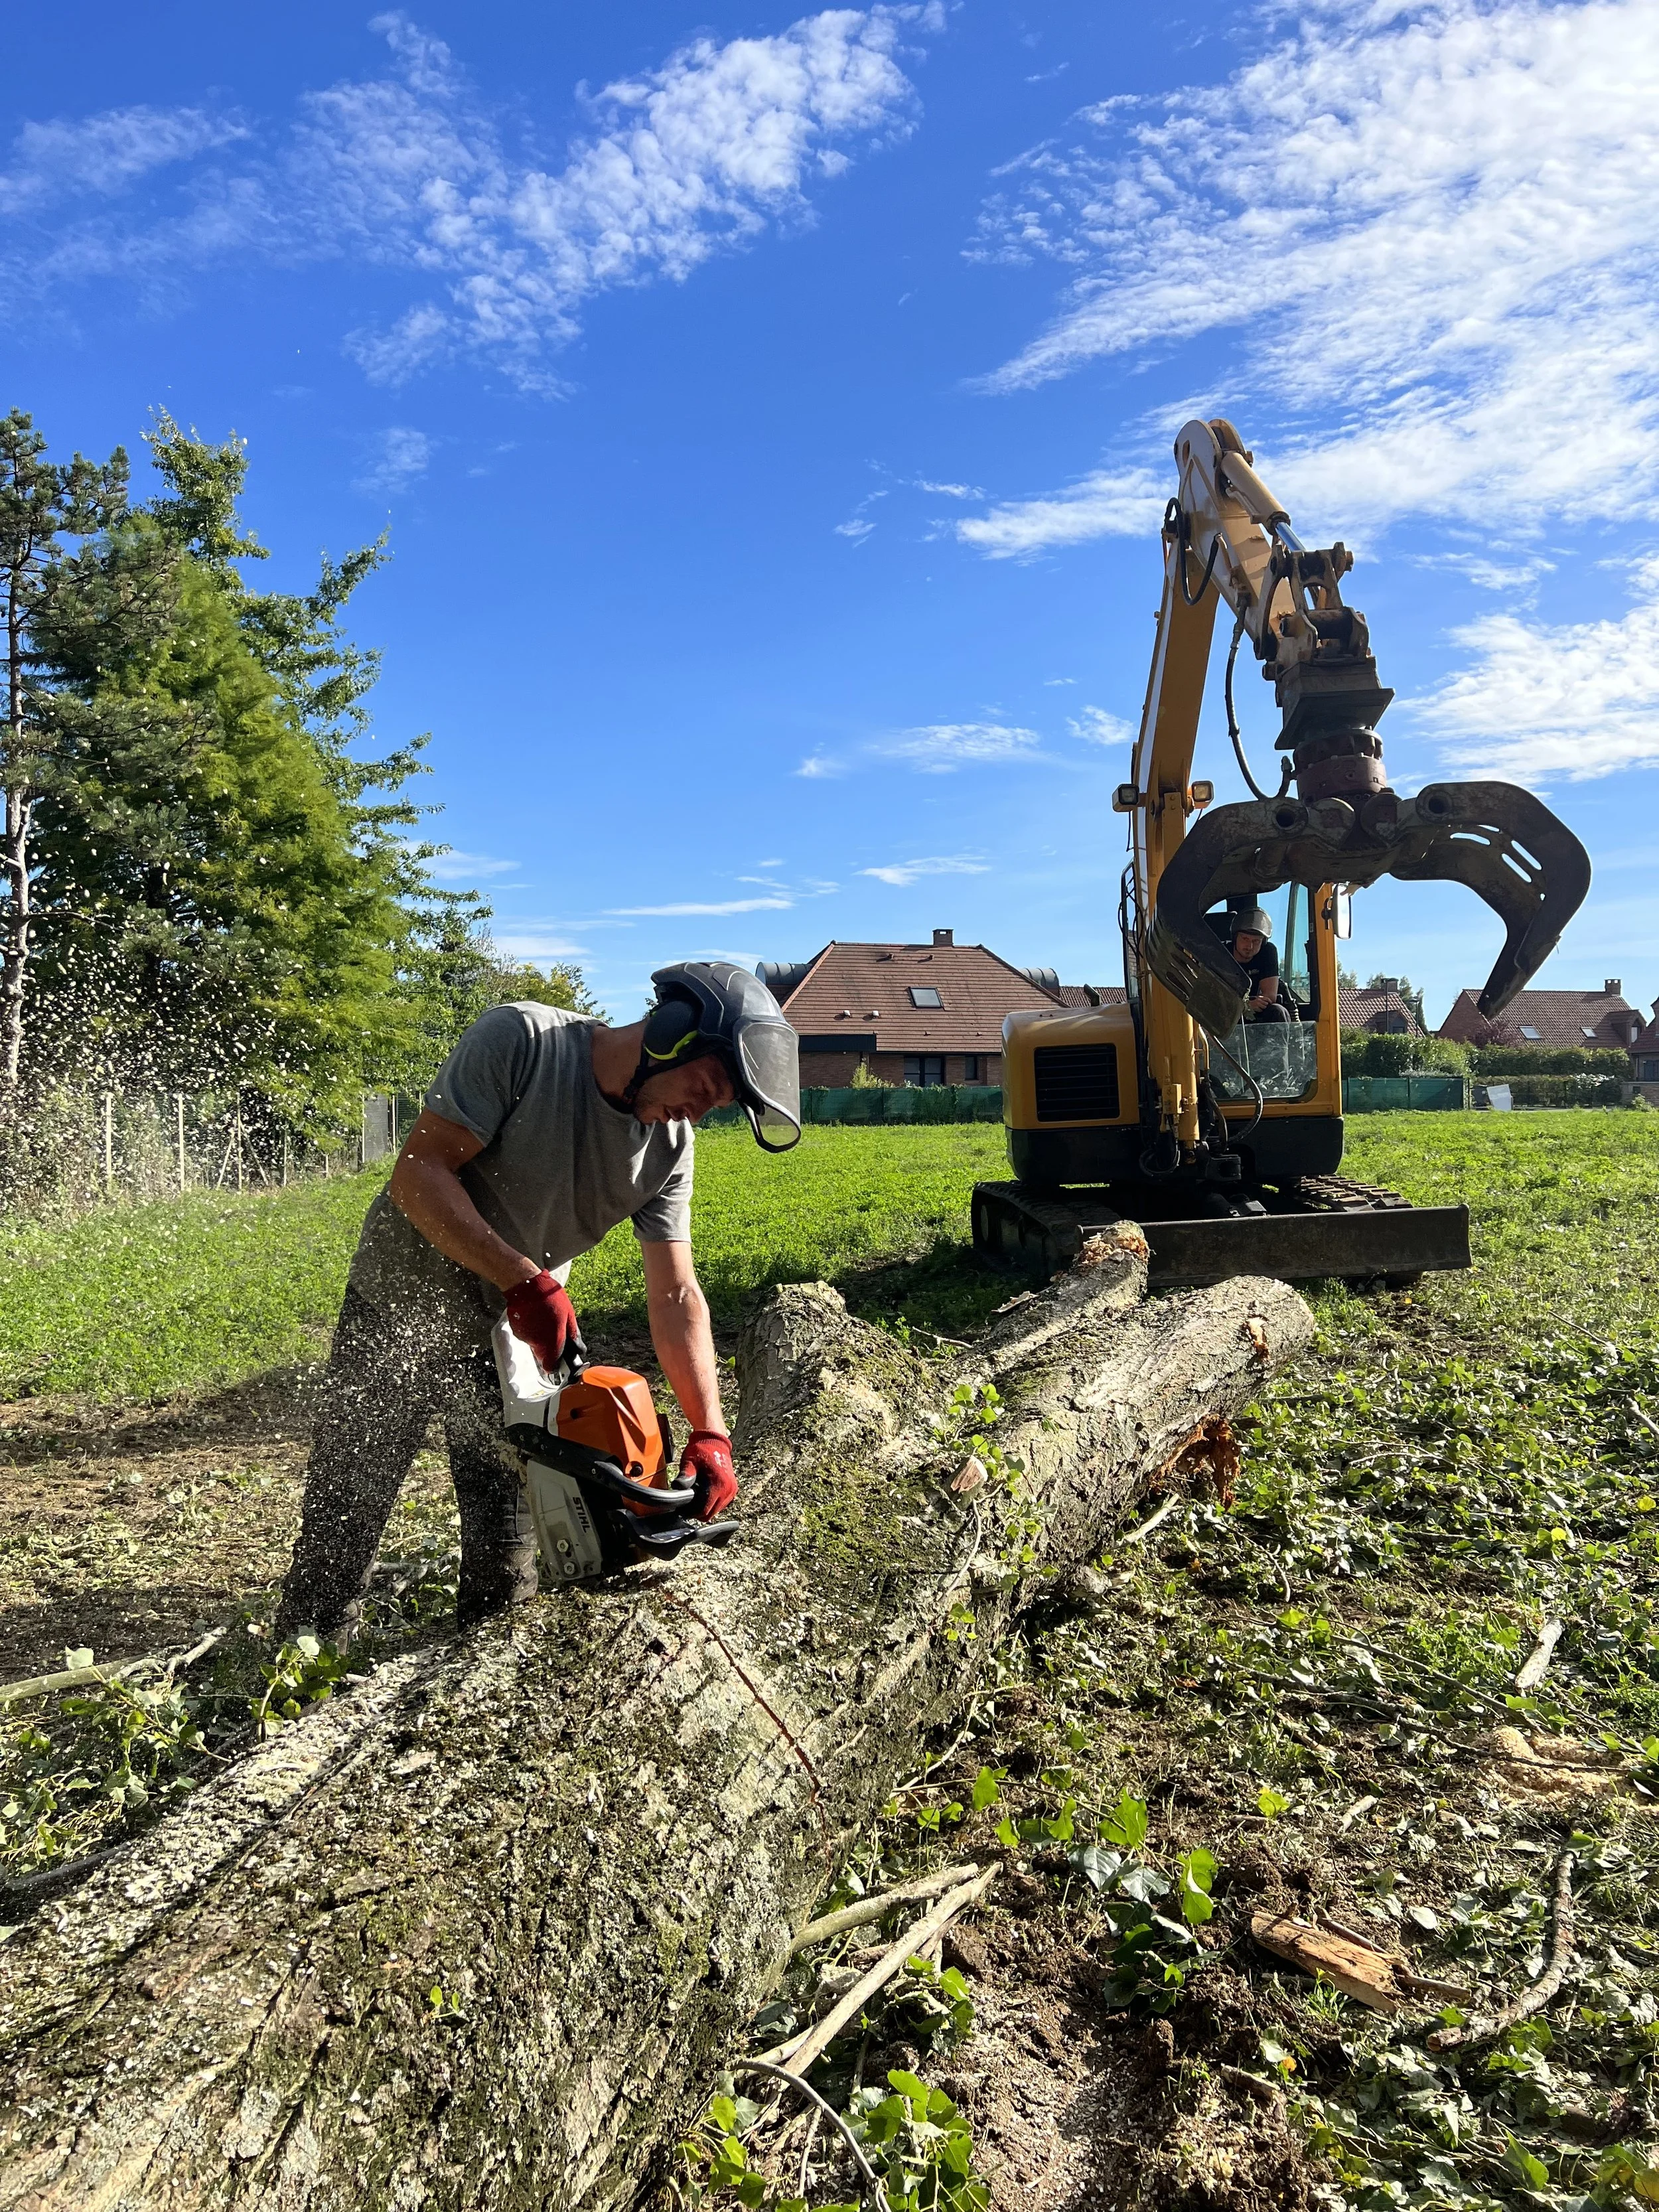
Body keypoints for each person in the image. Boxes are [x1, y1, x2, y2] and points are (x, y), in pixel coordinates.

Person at [275, 961, 802, 1645]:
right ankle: (297, 1684)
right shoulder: (524, 1042)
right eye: (702, 1089)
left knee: (511, 1538)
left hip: (512, 1334)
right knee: (345, 1517)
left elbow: (675, 1292)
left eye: (716, 1106)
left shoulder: (670, 1148)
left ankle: (478, 1693)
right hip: (400, 1304)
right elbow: (419, 1173)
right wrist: (521, 1277)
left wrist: (710, 1431)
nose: (697, 1113)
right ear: (669, 1036)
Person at [1228, 907, 1289, 1023]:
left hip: (1256, 1012)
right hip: (1225, 1014)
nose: (1250, 946)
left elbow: (1270, 997)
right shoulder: (1221, 953)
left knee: (1278, 1011)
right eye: (1245, 938)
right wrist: (1245, 1006)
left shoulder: (1268, 952)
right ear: (1235, 938)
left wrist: (1251, 1006)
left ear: (1264, 942)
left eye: (1256, 941)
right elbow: (1213, 1001)